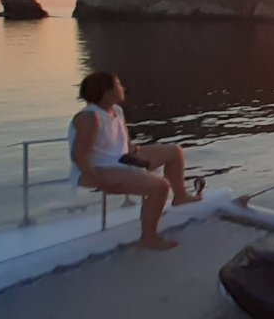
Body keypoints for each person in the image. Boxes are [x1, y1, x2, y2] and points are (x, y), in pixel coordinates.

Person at [68, 71, 203, 250]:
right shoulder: (90, 118)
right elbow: (78, 156)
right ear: (106, 91)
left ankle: (180, 197)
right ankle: (149, 237)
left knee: (174, 152)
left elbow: (124, 143)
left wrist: (140, 155)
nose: (123, 88)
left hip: (121, 158)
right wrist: (100, 181)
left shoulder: (116, 110)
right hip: (97, 169)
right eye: (117, 85)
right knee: (160, 186)